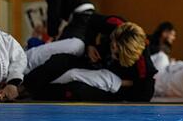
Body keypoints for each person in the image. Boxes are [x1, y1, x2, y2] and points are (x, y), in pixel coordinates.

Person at [24, 21, 157, 102]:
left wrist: (122, 84)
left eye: (116, 51)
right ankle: (23, 80)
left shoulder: (144, 70)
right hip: (92, 62)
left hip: (111, 86)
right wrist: (90, 44)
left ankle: (31, 90)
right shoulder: (115, 25)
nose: (113, 50)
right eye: (112, 45)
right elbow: (91, 22)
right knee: (68, 53)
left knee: (76, 85)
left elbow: (144, 94)